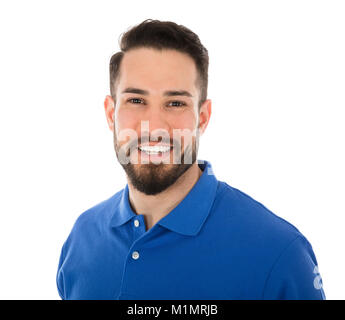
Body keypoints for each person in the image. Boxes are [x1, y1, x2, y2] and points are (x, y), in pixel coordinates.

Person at [56, 19, 326, 300]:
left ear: (203, 117)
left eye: (175, 103)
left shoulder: (278, 254)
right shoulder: (81, 240)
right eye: (136, 100)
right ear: (111, 114)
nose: (155, 126)